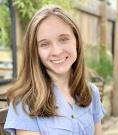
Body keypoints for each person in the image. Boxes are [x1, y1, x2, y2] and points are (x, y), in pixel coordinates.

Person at [4, 5, 105, 135]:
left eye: (63, 39)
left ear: (77, 42)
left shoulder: (91, 92)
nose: (56, 51)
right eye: (44, 44)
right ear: (35, 52)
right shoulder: (24, 103)